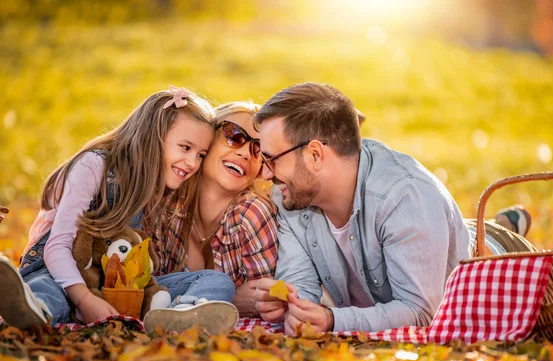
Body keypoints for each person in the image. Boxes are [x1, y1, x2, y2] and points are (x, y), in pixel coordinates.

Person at [0, 86, 237, 332]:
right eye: (185, 148)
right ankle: (32, 311)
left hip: (122, 288)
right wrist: (85, 299)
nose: (192, 163)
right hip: (65, 276)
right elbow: (57, 245)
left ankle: (178, 314)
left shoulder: (159, 186)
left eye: (201, 155)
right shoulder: (95, 166)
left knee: (215, 280)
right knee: (47, 289)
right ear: (152, 137)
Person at [253, 82, 471, 335]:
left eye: (272, 159)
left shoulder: (404, 195)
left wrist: (333, 320)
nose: (265, 174)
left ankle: (506, 224)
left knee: (487, 234)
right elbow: (300, 286)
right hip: (434, 230)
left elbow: (421, 313)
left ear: (315, 155)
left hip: (490, 254)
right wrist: (291, 304)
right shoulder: (289, 196)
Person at [187, 102, 278, 317]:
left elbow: (267, 305)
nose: (246, 154)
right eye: (234, 136)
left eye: (258, 150)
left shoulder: (251, 215)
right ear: (207, 139)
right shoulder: (169, 205)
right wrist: (230, 299)